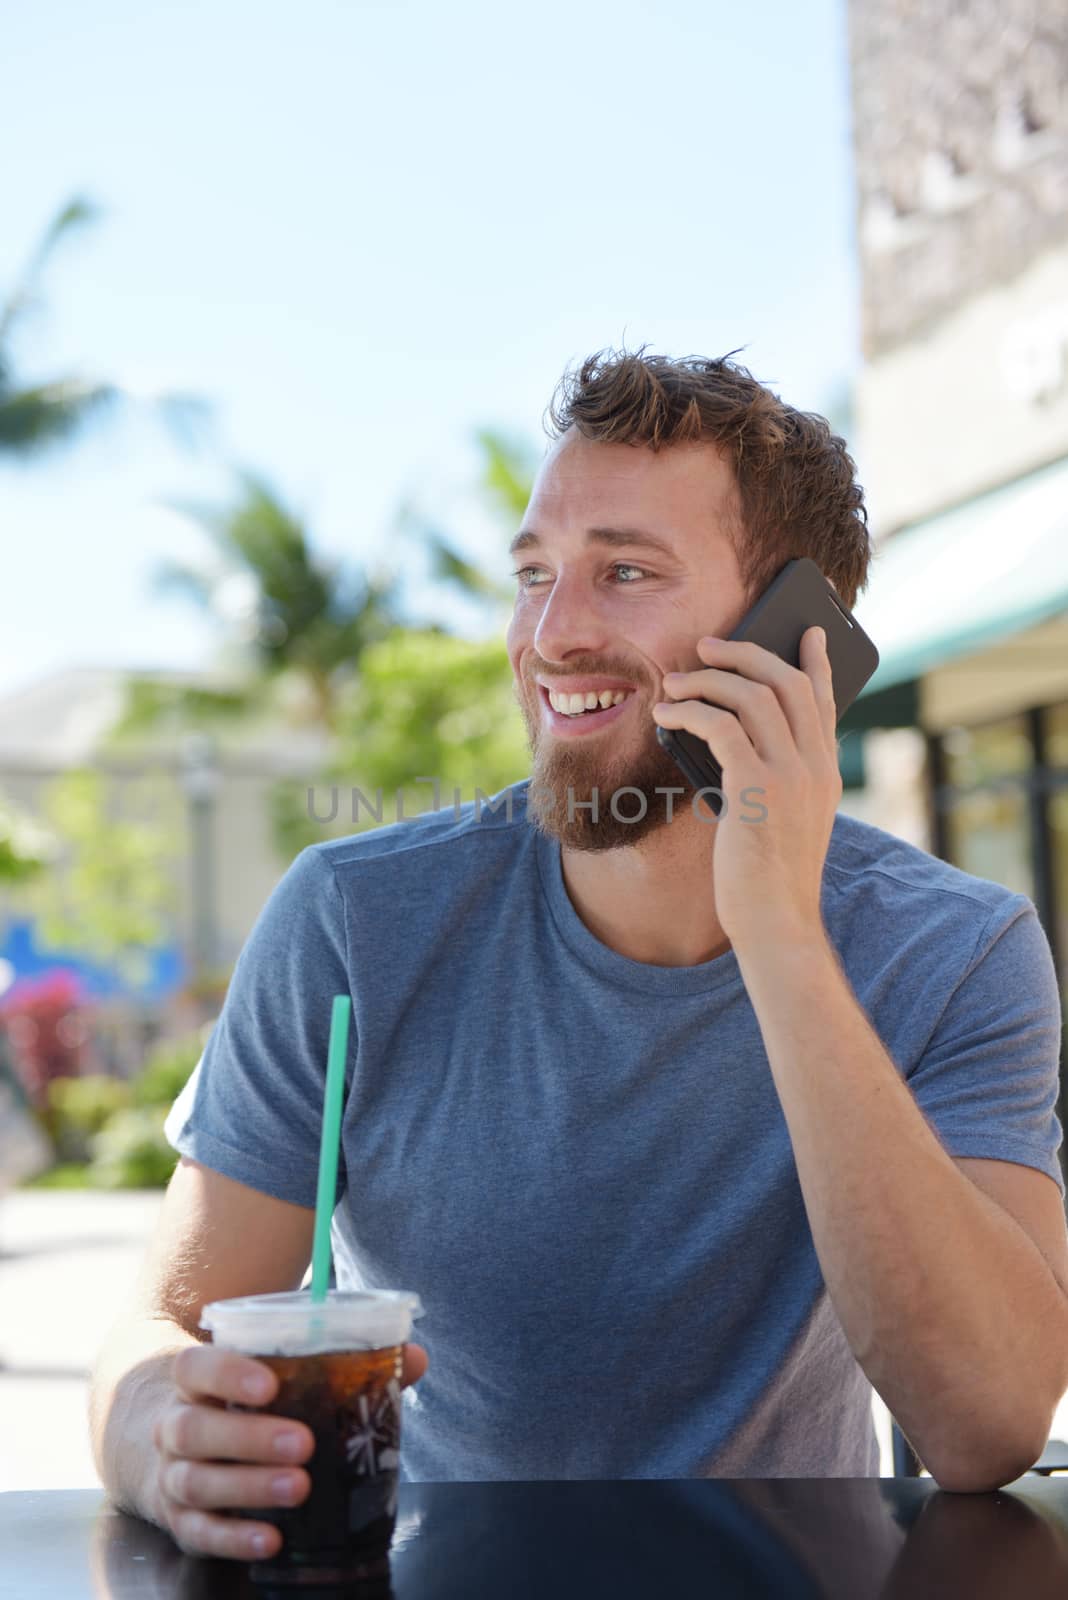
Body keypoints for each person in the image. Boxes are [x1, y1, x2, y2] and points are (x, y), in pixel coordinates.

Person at [90, 348, 1068, 1562]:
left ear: (794, 637)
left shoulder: (957, 953)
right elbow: (161, 1331)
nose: (551, 635)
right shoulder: (354, 922)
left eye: (625, 571)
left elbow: (986, 1427)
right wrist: (152, 1428)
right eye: (535, 574)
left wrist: (779, 931)